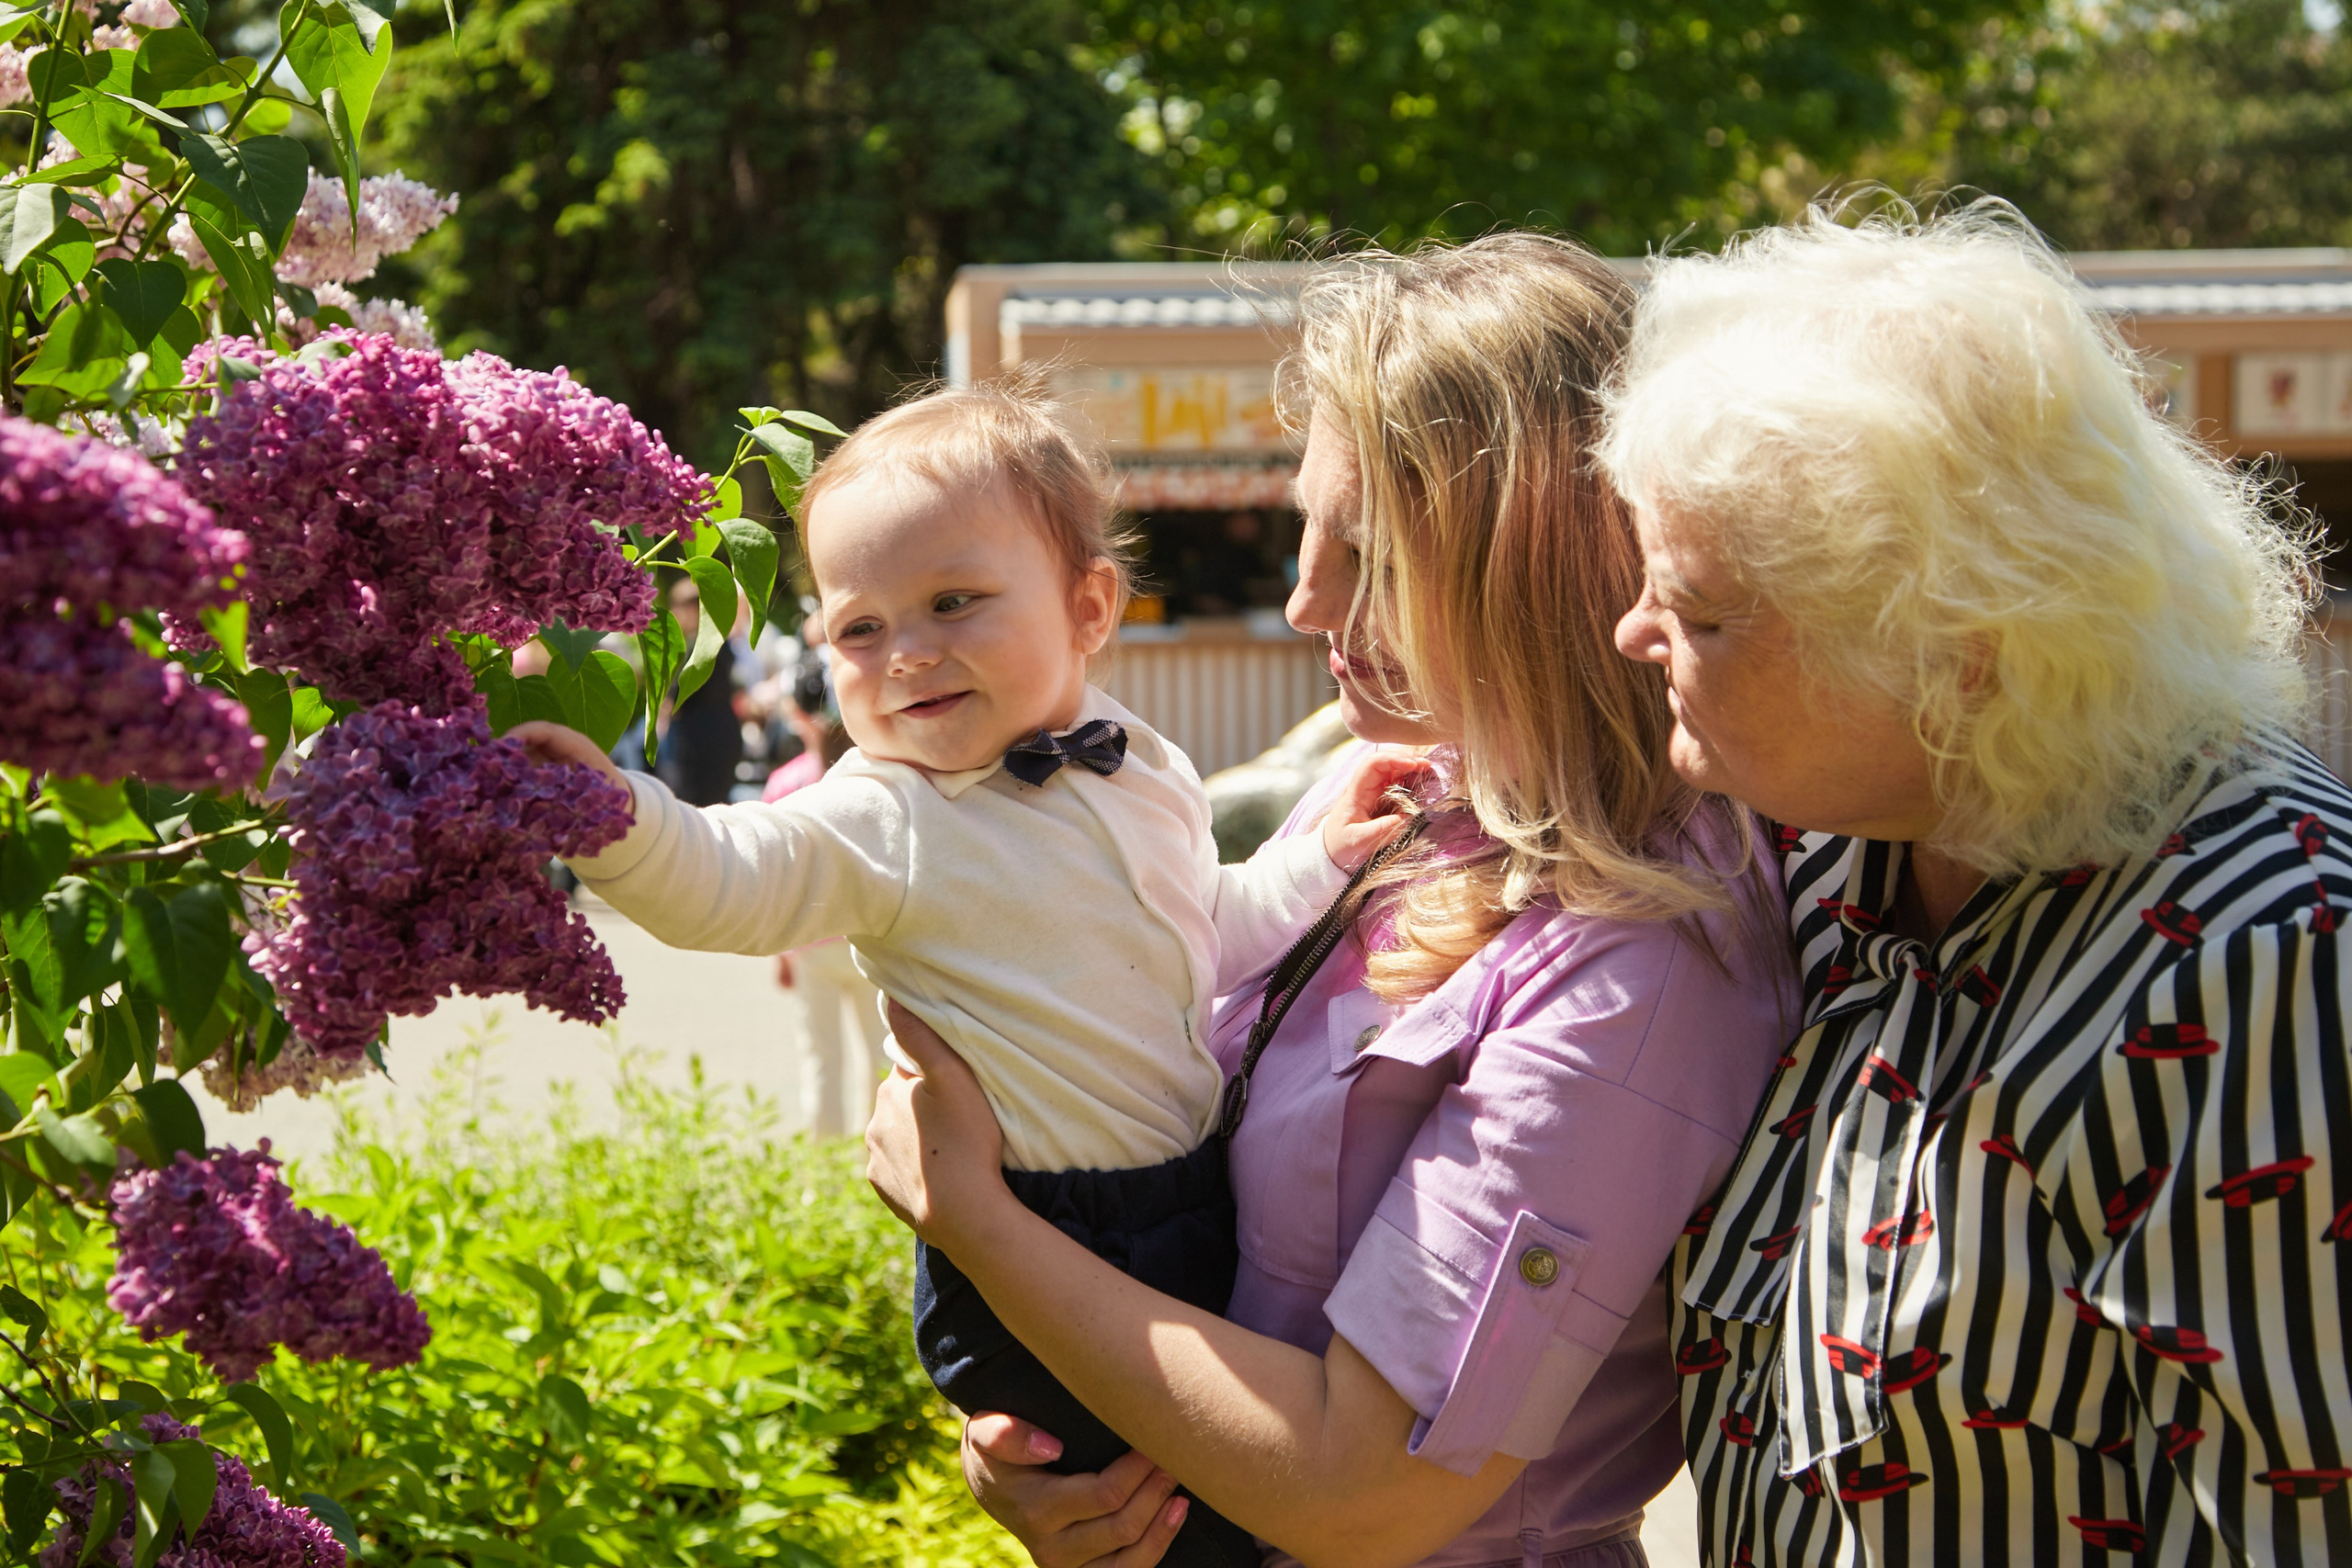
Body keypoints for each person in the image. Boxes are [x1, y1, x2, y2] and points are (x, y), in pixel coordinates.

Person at [862, 234, 1800, 1568]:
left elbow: (1362, 1490)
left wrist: (987, 1230)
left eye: (1371, 555)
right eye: (1312, 526)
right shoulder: (1395, 794)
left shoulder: (1646, 950)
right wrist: (1060, 1440)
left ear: (1534, 566)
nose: (1307, 598)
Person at [512, 381, 1408, 1568]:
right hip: (1045, 1222)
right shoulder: (884, 813)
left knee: (1236, 1491)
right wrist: (613, 814)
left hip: (1193, 1191)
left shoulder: (1143, 765)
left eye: (952, 602)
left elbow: (1203, 943)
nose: (907, 652)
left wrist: (1315, 863)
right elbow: (731, 877)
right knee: (1155, 1521)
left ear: (1090, 605)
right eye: (859, 627)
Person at [1598, 202, 2348, 1565]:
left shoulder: (2280, 958)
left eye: (1702, 609)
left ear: (1960, 653)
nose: (1634, 630)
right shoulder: (1833, 860)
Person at [765, 656, 883, 1137]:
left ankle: (826, 1166)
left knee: (821, 1054)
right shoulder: (876, 777)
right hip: (871, 941)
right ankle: (885, 1157)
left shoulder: (784, 783)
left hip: (809, 939)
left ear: (796, 716)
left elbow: (771, 879)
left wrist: (780, 950)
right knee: (882, 1057)